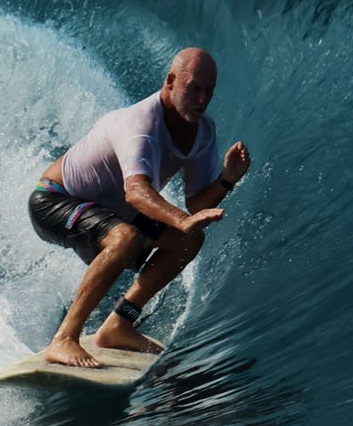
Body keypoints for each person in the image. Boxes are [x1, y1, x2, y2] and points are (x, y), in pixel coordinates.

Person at [27, 47, 251, 368]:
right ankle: (63, 339)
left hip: (112, 211)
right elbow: (135, 192)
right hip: (56, 199)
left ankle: (119, 324)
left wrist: (226, 180)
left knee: (187, 241)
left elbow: (196, 201)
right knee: (126, 237)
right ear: (171, 81)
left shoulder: (203, 132)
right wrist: (180, 219)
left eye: (209, 91)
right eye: (194, 88)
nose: (202, 99)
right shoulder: (141, 123)